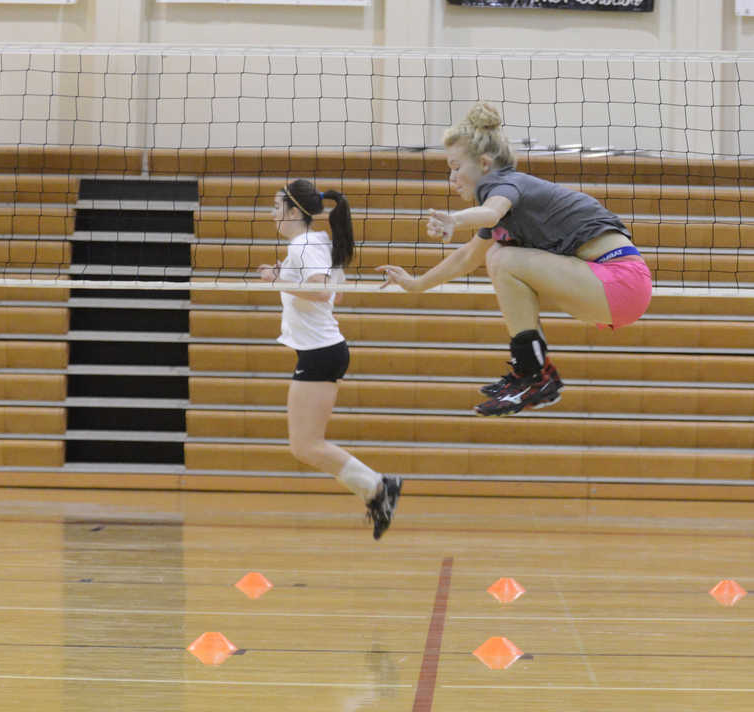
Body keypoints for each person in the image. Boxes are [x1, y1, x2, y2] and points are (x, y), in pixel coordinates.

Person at [378, 102, 652, 416]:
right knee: (499, 256)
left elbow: (490, 212)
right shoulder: (508, 204)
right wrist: (415, 285)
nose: (452, 177)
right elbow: (467, 257)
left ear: (483, 163)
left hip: (618, 280)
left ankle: (532, 375)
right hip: (606, 287)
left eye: (455, 167)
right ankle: (537, 373)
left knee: (503, 258)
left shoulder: (503, 185)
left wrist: (455, 219)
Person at [258, 178, 402, 539]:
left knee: (305, 445)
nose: (272, 214)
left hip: (322, 352)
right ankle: (377, 488)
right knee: (305, 445)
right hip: (321, 351)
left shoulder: (307, 244)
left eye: (277, 207)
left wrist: (277, 279)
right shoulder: (314, 242)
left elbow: (321, 290)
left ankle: (380, 487)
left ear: (294, 211)